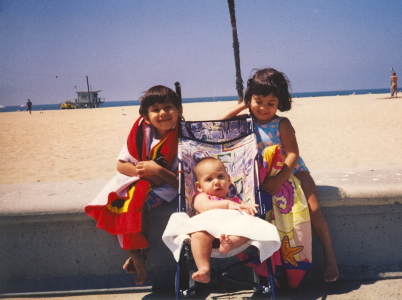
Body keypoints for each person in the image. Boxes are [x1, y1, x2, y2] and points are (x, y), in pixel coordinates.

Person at [218, 68, 339, 283]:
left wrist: (280, 179)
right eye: (258, 101)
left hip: (292, 170)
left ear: (279, 104)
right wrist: (245, 104)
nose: (264, 108)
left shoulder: (282, 123)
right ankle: (274, 267)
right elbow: (218, 122)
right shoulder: (246, 122)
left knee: (314, 209)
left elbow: (293, 153)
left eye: (271, 103)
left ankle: (330, 258)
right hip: (262, 174)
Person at [85, 85, 182, 285]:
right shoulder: (141, 134)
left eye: (168, 107)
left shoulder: (184, 138)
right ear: (146, 117)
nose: (163, 113)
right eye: (155, 110)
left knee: (137, 206)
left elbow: (181, 183)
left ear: (179, 110)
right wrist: (145, 173)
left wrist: (157, 171)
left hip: (166, 188)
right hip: (137, 182)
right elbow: (121, 165)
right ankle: (136, 255)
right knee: (116, 206)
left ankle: (141, 254)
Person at [162, 157, 281, 284]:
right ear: (199, 186)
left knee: (250, 228)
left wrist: (247, 209)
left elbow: (245, 217)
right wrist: (227, 205)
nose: (216, 182)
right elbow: (202, 207)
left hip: (230, 232)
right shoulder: (202, 196)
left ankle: (230, 244)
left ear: (228, 180)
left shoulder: (235, 200)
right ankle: (204, 268)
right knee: (198, 234)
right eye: (209, 179)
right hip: (208, 229)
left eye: (220, 177)